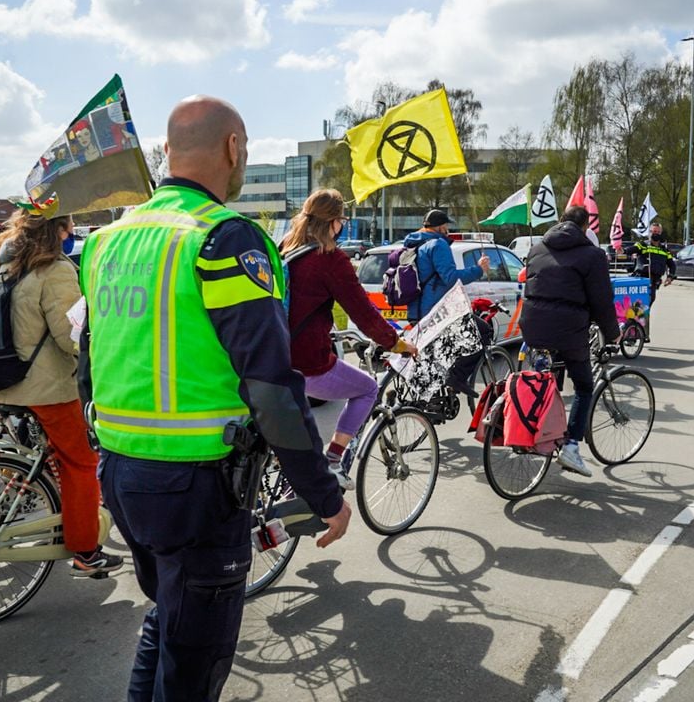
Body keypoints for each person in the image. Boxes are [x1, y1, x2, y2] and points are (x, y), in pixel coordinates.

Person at [78, 95, 351, 702]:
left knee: (169, 619)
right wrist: (324, 494)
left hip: (121, 473)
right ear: (232, 149)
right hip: (197, 488)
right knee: (196, 664)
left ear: (168, 151)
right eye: (246, 151)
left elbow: (88, 366)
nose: (244, 161)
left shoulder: (109, 241)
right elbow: (271, 387)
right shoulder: (223, 239)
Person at [0, 209, 123, 578]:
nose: (72, 233)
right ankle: (86, 552)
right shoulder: (55, 270)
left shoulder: (9, 264)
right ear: (58, 231)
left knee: (37, 455)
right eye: (70, 227)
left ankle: (31, 506)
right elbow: (71, 336)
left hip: (2, 383)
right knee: (81, 464)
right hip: (45, 388)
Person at [281, 188, 418, 490]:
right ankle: (333, 460)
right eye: (341, 219)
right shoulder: (329, 258)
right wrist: (396, 343)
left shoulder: (285, 249)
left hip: (275, 356)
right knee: (367, 389)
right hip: (307, 361)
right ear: (333, 222)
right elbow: (363, 313)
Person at [519, 205, 622, 476]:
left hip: (532, 325)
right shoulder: (593, 255)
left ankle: (531, 429)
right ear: (585, 227)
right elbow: (602, 301)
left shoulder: (537, 249)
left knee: (540, 380)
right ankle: (571, 449)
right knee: (585, 386)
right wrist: (613, 333)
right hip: (568, 328)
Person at [401, 209, 491, 396]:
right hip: (438, 311)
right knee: (483, 331)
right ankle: (457, 377)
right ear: (441, 227)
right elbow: (450, 278)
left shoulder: (414, 244)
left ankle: (424, 398)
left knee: (434, 354)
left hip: (416, 311)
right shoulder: (438, 245)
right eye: (447, 226)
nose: (448, 230)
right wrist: (478, 270)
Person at [633, 222, 675, 304]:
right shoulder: (643, 245)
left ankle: (645, 317)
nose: (656, 234)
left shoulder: (664, 250)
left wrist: (670, 277)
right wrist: (623, 251)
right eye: (654, 231)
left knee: (650, 300)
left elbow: (672, 265)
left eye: (658, 232)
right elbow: (632, 249)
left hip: (654, 280)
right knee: (640, 302)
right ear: (650, 232)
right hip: (641, 279)